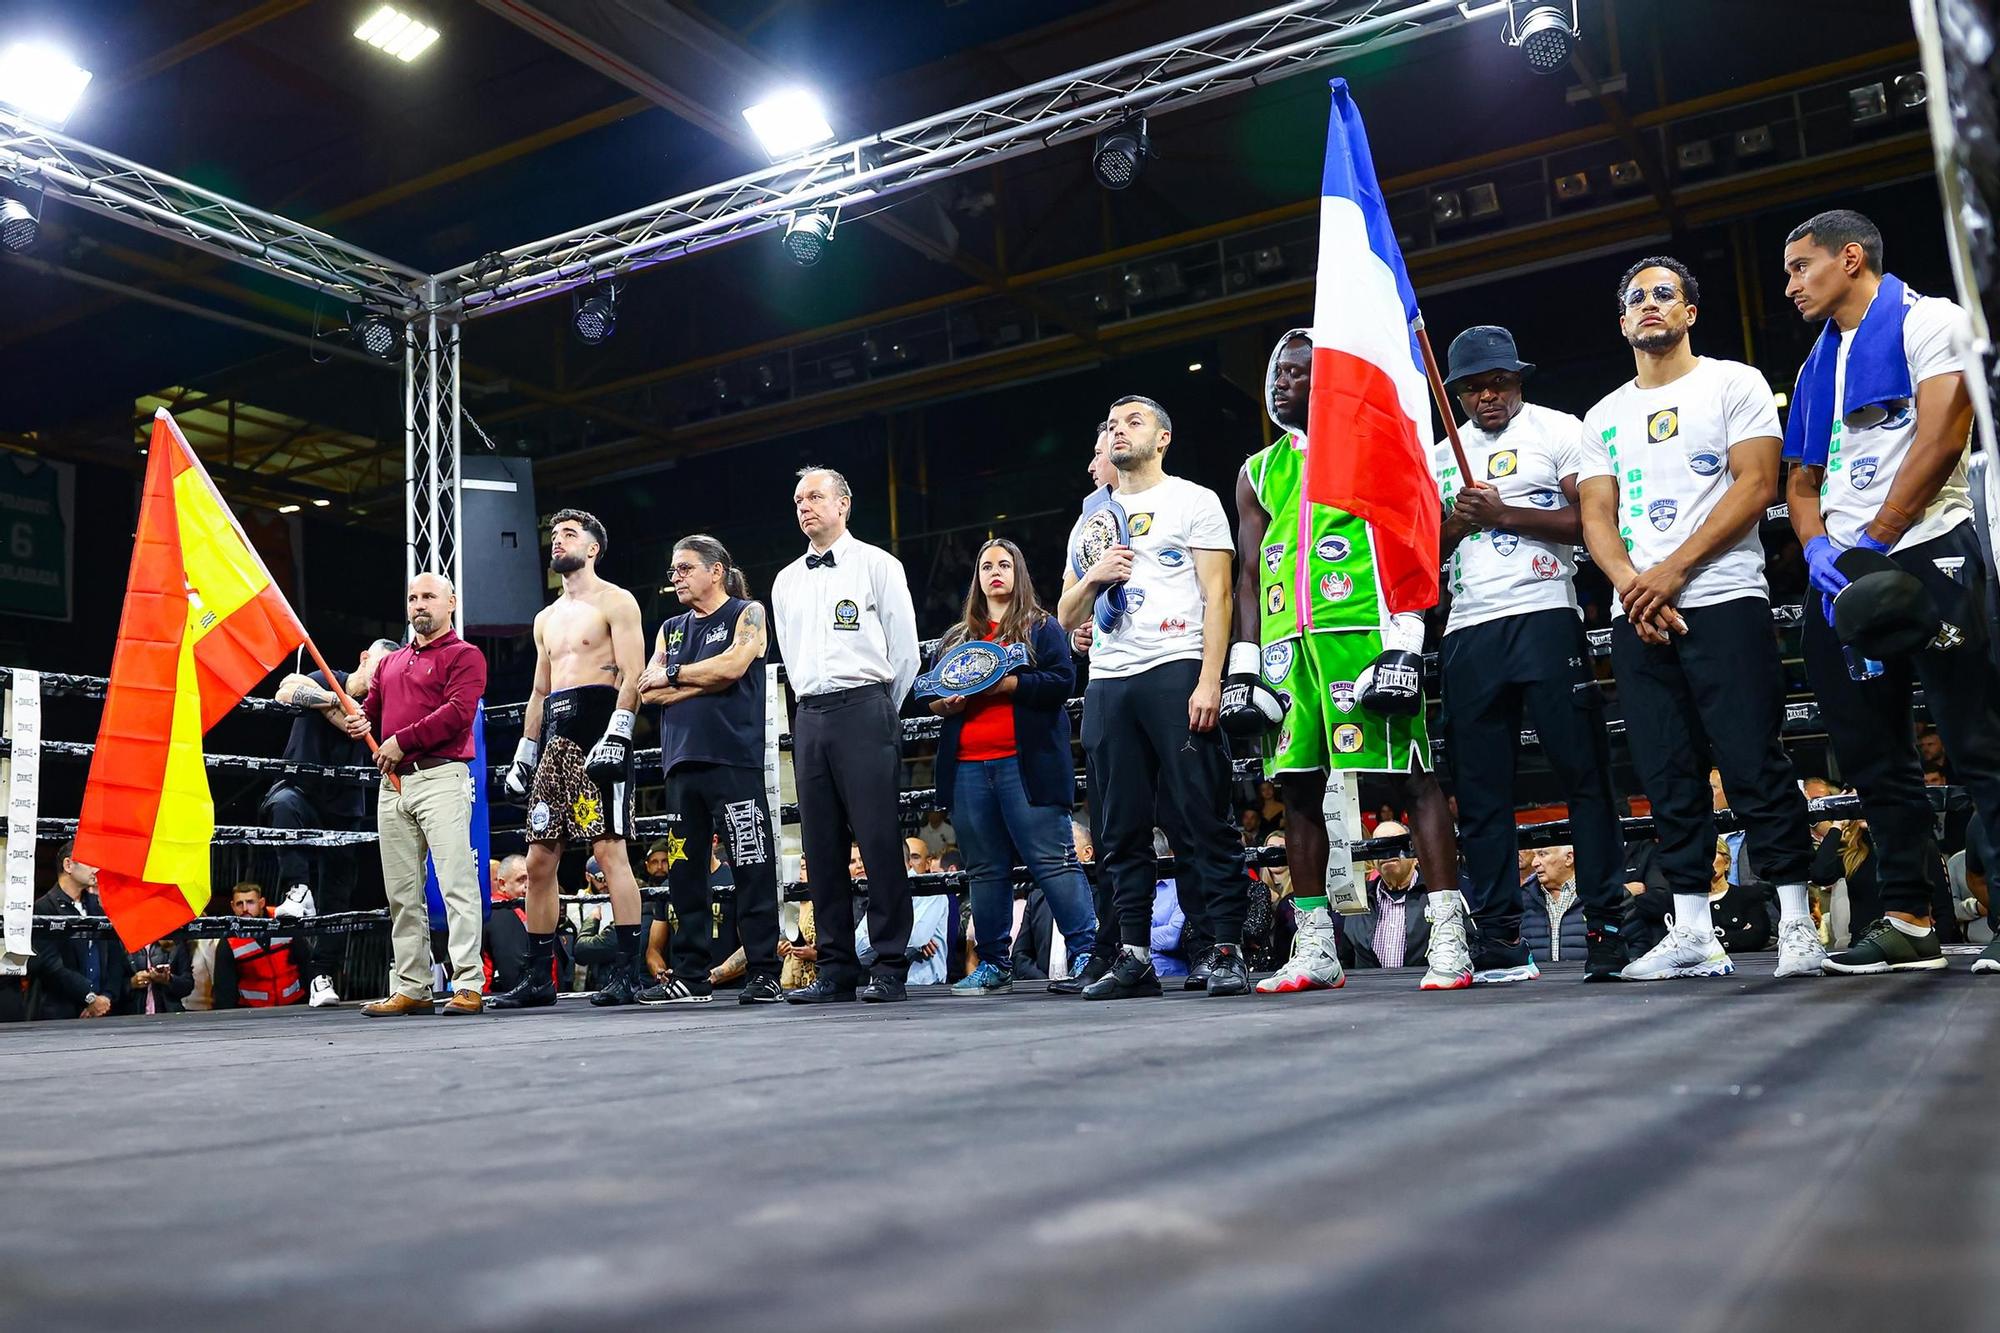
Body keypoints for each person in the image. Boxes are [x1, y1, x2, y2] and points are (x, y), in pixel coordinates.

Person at [1576, 255, 1822, 981]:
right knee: (1667, 772)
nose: (1650, 305)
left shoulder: (1734, 382)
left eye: (1664, 294)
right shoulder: (1603, 414)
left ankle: (1798, 925)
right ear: (1623, 321)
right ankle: (1690, 930)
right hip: (1641, 614)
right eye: (1636, 298)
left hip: (1724, 596)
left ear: (1689, 312)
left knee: (1754, 762)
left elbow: (1756, 485)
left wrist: (1671, 572)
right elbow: (1597, 513)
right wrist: (1631, 585)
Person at [1778, 209, 2000, 975]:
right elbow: (1799, 478)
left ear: (1850, 258)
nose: (1790, 285)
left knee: (1977, 739)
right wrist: (1815, 549)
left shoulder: (1928, 319)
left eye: (1800, 267)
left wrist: (1878, 538)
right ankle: (1908, 917)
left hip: (1927, 549)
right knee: (1872, 755)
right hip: (1843, 577)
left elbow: (1944, 433)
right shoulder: (1814, 364)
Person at [1222, 331, 1462, 993]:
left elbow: (1412, 539)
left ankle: (1449, 938)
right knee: (1296, 790)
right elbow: (1247, 574)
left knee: (1412, 779)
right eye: (1276, 374)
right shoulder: (1256, 470)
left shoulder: (1371, 446)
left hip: (1363, 632)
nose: (1281, 384)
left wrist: (1406, 641)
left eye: (1297, 374)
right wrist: (1244, 663)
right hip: (1283, 646)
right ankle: (1317, 947)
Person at [1430, 325, 1633, 981]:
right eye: (1474, 387)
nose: (1489, 395)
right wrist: (1458, 522)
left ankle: (1605, 928)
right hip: (1468, 629)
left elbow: (1593, 522)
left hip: (1547, 614)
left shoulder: (1560, 429)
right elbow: (1417, 557)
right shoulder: (1438, 455)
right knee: (1482, 793)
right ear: (1457, 392)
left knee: (1585, 778)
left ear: (1520, 379)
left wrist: (1505, 514)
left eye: (1501, 382)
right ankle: (1498, 941)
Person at [1060, 395, 1248, 1000]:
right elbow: (1065, 615)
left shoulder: (1194, 500)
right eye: (1111, 424)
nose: (1119, 430)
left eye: (1132, 422)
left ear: (1163, 438)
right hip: (1110, 681)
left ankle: (1224, 948)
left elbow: (1218, 597)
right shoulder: (1091, 522)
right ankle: (1134, 955)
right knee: (1119, 826)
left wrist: (1211, 678)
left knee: (1202, 815)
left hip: (1177, 666)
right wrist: (1093, 577)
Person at [770, 467, 921, 1003]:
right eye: (797, 500)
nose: (804, 506)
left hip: (865, 706)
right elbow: (790, 655)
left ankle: (889, 964)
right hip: (810, 713)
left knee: (879, 842)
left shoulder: (879, 565)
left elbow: (906, 653)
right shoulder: (786, 580)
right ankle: (833, 968)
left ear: (844, 504)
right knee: (821, 846)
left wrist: (879, 709)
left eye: (814, 496)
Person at [489, 510, 649, 1009]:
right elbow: (539, 691)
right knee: (539, 860)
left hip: (600, 726)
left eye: (569, 534)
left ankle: (628, 974)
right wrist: (524, 753)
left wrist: (618, 734)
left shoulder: (616, 601)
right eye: (554, 535)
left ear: (593, 547)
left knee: (609, 852)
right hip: (556, 737)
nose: (557, 541)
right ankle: (539, 978)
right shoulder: (545, 618)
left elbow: (634, 672)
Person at [927, 538, 1097, 997]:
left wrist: (1011, 685)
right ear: (977, 577)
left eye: (1004, 564)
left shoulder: (1041, 627)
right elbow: (930, 695)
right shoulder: (957, 639)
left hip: (1025, 765)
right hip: (967, 767)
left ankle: (1086, 954)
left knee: (1054, 860)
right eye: (986, 566)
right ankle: (994, 964)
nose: (994, 572)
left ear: (1018, 573)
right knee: (983, 869)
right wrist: (945, 704)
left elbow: (1063, 680)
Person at [634, 534, 782, 1005]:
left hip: (732, 758)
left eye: (684, 568)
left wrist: (676, 675)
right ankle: (692, 974)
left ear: (715, 570)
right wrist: (705, 679)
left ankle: (763, 971)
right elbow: (646, 692)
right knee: (683, 871)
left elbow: (735, 665)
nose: (674, 577)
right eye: (673, 569)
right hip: (680, 763)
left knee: (752, 863)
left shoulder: (748, 613)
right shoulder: (670, 629)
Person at [350, 572, 489, 1017]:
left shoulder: (465, 656)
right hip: (394, 784)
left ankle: (468, 982)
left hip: (440, 777)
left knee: (455, 884)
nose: (419, 604)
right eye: (412, 597)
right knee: (401, 892)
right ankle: (413, 984)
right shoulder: (390, 664)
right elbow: (370, 713)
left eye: (428, 596)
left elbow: (458, 713)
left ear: (451, 603)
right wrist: (358, 722)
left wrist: (401, 741)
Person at [265, 638, 398, 1007]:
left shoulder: (380, 710)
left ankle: (322, 976)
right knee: (282, 804)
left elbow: (358, 725)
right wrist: (332, 700)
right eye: (382, 665)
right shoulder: (324, 677)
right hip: (303, 790)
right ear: (365, 657)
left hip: (345, 808)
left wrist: (339, 708)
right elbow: (287, 690)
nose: (385, 675)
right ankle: (297, 889)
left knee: (337, 898)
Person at [28, 842, 128, 1020]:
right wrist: (89, 997)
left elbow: (116, 958)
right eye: (90, 862)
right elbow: (51, 966)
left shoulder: (98, 908)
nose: (97, 869)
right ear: (68, 865)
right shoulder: (43, 908)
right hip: (60, 1014)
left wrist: (106, 997)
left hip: (103, 1012)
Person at [1341, 824, 1435, 970]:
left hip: (1424, 988)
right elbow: (1344, 960)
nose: (1387, 852)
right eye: (1379, 846)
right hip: (1368, 990)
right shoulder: (1358, 898)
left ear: (1415, 856)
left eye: (1395, 844)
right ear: (1372, 860)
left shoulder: (1436, 895)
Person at [212, 882, 306, 1008]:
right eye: (240, 904)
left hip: (295, 1004)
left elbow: (307, 962)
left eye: (250, 902)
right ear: (233, 907)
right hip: (253, 1012)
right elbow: (224, 989)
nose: (245, 908)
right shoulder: (229, 941)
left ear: (261, 903)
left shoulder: (283, 921)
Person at [1522, 846, 1589, 965]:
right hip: (1537, 982)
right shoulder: (1522, 899)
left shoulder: (1599, 895)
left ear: (1569, 858)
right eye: (1534, 855)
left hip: (1589, 982)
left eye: (1542, 854)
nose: (1534, 863)